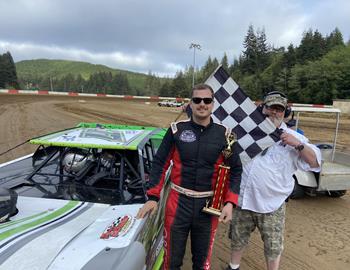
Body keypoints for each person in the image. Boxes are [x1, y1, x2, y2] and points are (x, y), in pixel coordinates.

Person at [137, 83, 242, 270]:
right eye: (197, 100)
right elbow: (160, 163)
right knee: (171, 261)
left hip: (209, 207)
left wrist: (230, 202)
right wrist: (153, 197)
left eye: (207, 100)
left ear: (213, 103)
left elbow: (236, 170)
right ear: (191, 104)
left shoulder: (226, 135)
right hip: (178, 204)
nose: (202, 104)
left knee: (201, 264)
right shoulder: (176, 130)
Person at [226, 91, 321, 270]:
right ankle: (233, 266)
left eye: (279, 109)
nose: (274, 113)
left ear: (285, 112)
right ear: (263, 109)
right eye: (270, 108)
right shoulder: (246, 130)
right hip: (243, 201)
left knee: (273, 247)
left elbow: (315, 163)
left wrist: (297, 144)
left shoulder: (295, 138)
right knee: (237, 239)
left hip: (272, 205)